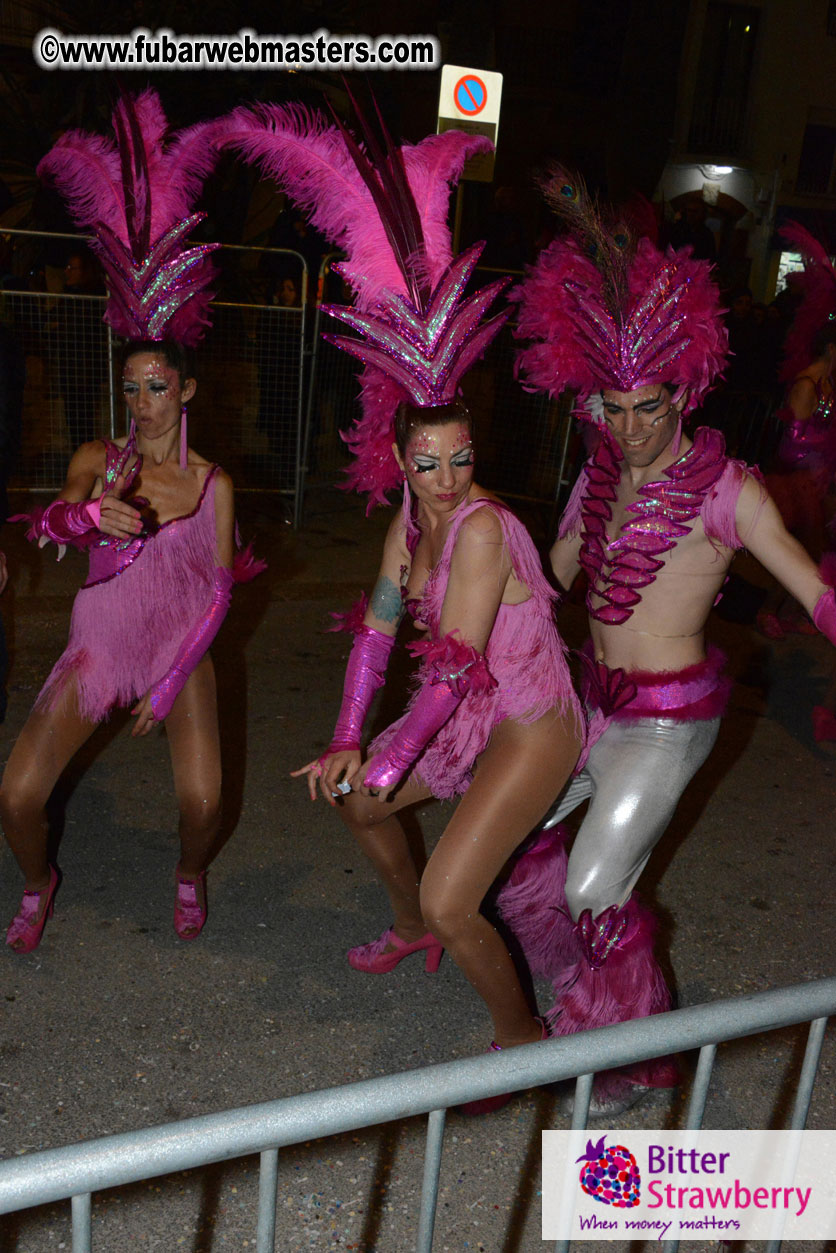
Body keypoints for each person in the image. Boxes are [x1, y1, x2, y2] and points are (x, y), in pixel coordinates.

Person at [223, 98, 582, 1094]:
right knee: (356, 799)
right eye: (426, 462)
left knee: (456, 886)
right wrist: (348, 736)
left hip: (524, 719)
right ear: (396, 455)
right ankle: (413, 927)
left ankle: (525, 1038)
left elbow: (446, 671)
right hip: (462, 713)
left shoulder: (474, 528)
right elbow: (377, 635)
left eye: (460, 458)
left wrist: (378, 750)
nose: (447, 477)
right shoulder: (408, 521)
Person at [507, 170, 836, 1115]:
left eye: (648, 405)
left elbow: (807, 583)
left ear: (684, 390)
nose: (632, 426)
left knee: (597, 886)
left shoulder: (731, 488)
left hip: (666, 724)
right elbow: (554, 579)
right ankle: (588, 1007)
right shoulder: (601, 472)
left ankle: (642, 1059)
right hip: (588, 704)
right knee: (513, 851)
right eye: (613, 408)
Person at [0, 91, 241, 953]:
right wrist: (81, 517)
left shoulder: (214, 483)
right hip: (98, 646)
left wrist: (173, 683)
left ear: (186, 390)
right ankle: (39, 880)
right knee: (18, 796)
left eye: (158, 385)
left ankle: (188, 870)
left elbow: (218, 593)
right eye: (132, 387)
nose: (142, 401)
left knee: (206, 802)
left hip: (181, 649)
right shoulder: (99, 457)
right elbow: (58, 516)